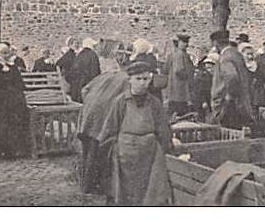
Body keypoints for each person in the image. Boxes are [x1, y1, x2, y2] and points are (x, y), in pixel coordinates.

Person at [98, 60, 173, 205]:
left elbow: (163, 128)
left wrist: (166, 146)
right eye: (138, 79)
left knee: (147, 190)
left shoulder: (154, 103)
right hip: (125, 153)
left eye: (146, 79)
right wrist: (113, 149)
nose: (142, 83)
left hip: (149, 154)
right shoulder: (120, 102)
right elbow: (109, 128)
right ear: (130, 80)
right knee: (125, 192)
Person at [78, 70, 130, 195]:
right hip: (103, 117)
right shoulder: (127, 80)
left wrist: (90, 103)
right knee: (96, 151)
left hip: (88, 114)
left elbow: (84, 90)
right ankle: (91, 185)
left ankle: (85, 183)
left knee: (87, 150)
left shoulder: (105, 75)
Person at [210, 30, 254, 131]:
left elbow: (232, 77)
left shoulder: (225, 57)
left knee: (228, 132)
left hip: (228, 104)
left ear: (216, 43)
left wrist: (229, 96)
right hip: (240, 102)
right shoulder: (236, 54)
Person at [163, 34, 194, 117]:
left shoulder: (173, 54)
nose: (186, 44)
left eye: (187, 42)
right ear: (179, 43)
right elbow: (178, 70)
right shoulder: (180, 54)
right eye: (184, 42)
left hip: (175, 89)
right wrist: (188, 77)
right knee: (180, 110)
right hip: (180, 88)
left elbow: (165, 69)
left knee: (174, 109)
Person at [70, 38, 102, 103]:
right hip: (88, 85)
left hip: (77, 87)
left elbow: (73, 71)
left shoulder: (79, 55)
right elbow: (95, 72)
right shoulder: (92, 55)